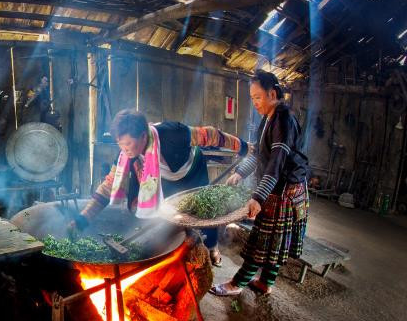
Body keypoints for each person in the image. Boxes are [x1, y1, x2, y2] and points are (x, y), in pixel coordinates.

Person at [70, 109, 250, 266]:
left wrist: (242, 147)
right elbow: (109, 185)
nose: (124, 150)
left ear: (142, 135)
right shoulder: (126, 153)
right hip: (162, 177)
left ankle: (211, 248)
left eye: (127, 144)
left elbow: (210, 135)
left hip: (191, 171)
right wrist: (82, 219)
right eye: (120, 145)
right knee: (170, 213)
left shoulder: (173, 133)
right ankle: (177, 249)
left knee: (203, 213)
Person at [209, 70, 309, 296]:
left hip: (285, 191)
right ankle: (265, 283)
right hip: (278, 187)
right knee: (272, 241)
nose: (254, 102)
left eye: (257, 97)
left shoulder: (283, 120)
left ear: (272, 94)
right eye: (252, 98)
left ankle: (237, 284)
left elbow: (276, 162)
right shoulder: (268, 118)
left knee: (262, 241)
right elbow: (258, 154)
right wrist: (240, 173)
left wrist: (258, 197)